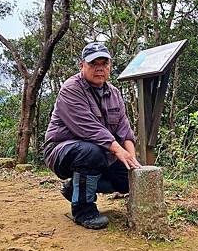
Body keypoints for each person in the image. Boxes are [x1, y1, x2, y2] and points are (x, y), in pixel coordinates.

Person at [44, 42, 141, 229]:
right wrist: (118, 151)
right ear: (82, 66)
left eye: (104, 64)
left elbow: (124, 129)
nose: (99, 69)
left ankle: (75, 188)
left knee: (126, 179)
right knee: (90, 151)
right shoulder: (70, 89)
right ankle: (83, 210)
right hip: (62, 151)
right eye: (93, 64)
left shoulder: (113, 92)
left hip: (102, 151)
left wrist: (132, 161)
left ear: (109, 66)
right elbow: (89, 129)